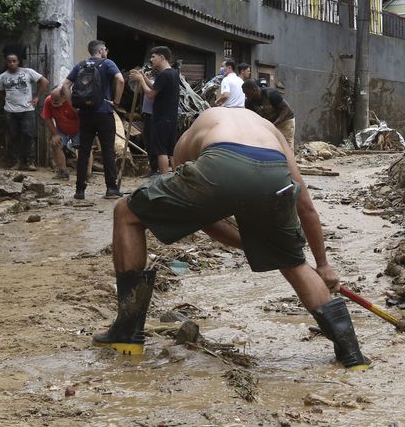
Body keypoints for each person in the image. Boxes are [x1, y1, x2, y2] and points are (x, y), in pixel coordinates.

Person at [92, 108, 370, 370]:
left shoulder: (190, 137)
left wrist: (249, 244)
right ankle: (351, 354)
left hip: (220, 161)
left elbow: (203, 218)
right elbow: (306, 206)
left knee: (127, 212)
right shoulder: (269, 130)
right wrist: (322, 265)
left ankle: (127, 334)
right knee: (294, 262)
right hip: (274, 171)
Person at [61, 40, 125, 200]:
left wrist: (73, 106)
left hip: (85, 114)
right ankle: (111, 188)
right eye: (105, 50)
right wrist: (116, 101)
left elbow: (65, 86)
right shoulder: (108, 63)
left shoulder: (80, 65)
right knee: (107, 150)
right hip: (104, 112)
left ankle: (80, 191)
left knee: (83, 151)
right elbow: (121, 80)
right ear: (101, 50)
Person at [128, 46, 180, 175]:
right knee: (170, 150)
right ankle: (176, 176)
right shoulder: (173, 72)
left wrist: (140, 80)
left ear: (162, 57)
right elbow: (157, 87)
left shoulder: (163, 74)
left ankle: (163, 180)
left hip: (161, 117)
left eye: (153, 57)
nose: (151, 60)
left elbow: (151, 94)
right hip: (171, 117)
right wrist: (145, 79)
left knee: (161, 151)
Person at [0, 53, 48, 170]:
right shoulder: (2, 77)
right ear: (6, 62)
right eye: (9, 61)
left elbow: (44, 82)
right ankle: (16, 161)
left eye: (14, 61)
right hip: (10, 111)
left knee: (29, 135)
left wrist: (37, 97)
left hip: (27, 109)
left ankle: (30, 162)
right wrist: (8, 100)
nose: (12, 63)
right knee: (14, 136)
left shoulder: (28, 72)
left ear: (18, 61)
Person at [242, 79, 296, 149]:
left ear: (254, 89)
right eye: (244, 93)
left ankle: (289, 159)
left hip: (285, 121)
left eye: (247, 93)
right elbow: (252, 118)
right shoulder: (248, 102)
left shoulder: (271, 93)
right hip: (269, 124)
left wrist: (274, 124)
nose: (246, 96)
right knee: (270, 145)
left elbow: (285, 109)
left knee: (286, 145)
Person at [40, 88, 81, 180]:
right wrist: (55, 134)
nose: (53, 102)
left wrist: (87, 133)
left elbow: (83, 116)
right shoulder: (48, 101)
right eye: (52, 100)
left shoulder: (74, 101)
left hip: (79, 128)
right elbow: (47, 119)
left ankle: (87, 173)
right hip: (62, 129)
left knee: (85, 148)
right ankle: (63, 172)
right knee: (55, 144)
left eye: (57, 100)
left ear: (65, 98)